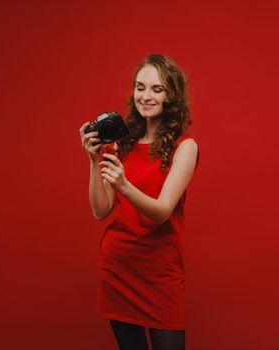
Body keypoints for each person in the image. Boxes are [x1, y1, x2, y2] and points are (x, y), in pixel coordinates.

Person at [79, 54, 199, 350]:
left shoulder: (185, 147)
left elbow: (161, 212)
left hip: (160, 272)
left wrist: (124, 185)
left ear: (171, 95)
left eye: (156, 89)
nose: (145, 96)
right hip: (119, 267)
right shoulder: (123, 142)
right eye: (140, 87)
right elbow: (101, 210)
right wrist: (94, 161)